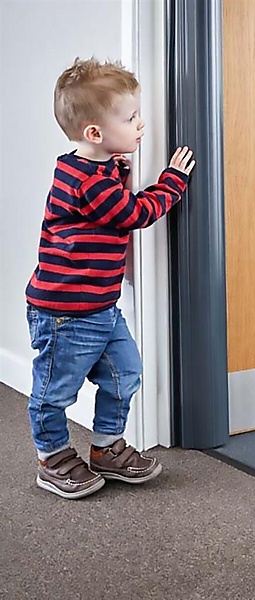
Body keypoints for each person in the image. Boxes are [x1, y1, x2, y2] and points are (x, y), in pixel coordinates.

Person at [24, 57, 195, 499]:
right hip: (64, 313)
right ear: (95, 133)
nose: (141, 125)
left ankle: (105, 448)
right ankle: (52, 458)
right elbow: (134, 213)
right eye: (130, 118)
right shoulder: (86, 181)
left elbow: (114, 187)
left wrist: (120, 165)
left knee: (125, 373)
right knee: (55, 390)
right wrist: (173, 181)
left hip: (100, 306)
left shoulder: (98, 167)